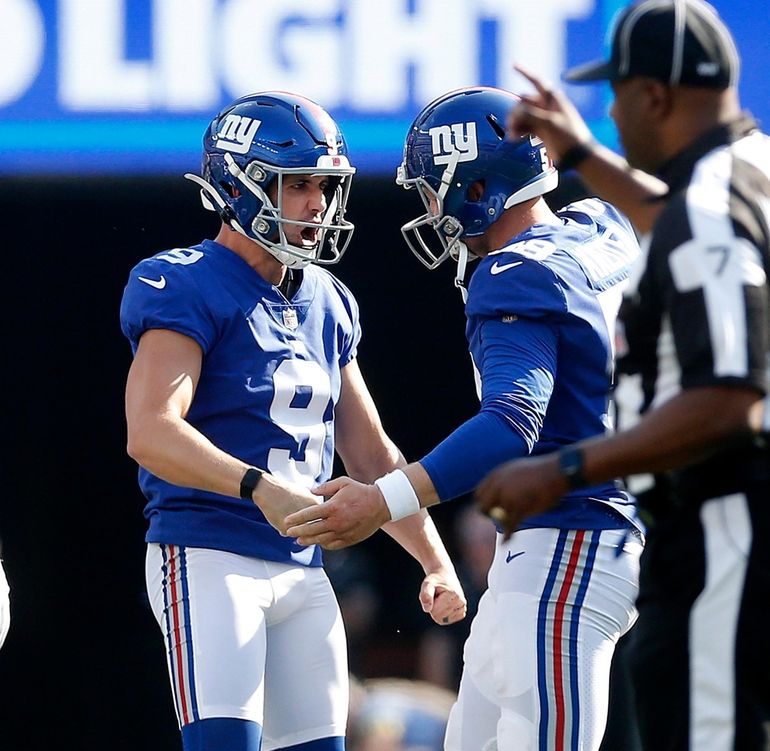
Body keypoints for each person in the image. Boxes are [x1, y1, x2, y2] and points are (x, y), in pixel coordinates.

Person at [285, 86, 644, 750]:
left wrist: (383, 499)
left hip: (572, 540)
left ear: (475, 184)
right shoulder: (601, 224)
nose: (430, 208)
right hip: (552, 546)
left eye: (433, 189)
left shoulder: (511, 272)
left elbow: (512, 421)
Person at [120, 91, 467, 751]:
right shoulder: (184, 280)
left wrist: (434, 559)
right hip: (208, 553)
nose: (317, 203)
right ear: (238, 182)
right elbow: (151, 429)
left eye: (324, 185)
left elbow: (370, 455)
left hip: (303, 568)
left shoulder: (329, 300)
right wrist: (260, 487)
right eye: (296, 183)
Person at [475, 2, 770, 749]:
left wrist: (565, 465)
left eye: (616, 92)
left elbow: (730, 400)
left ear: (654, 97)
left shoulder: (709, 203)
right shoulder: (750, 168)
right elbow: (679, 214)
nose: (608, 109)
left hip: (723, 529)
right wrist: (581, 154)